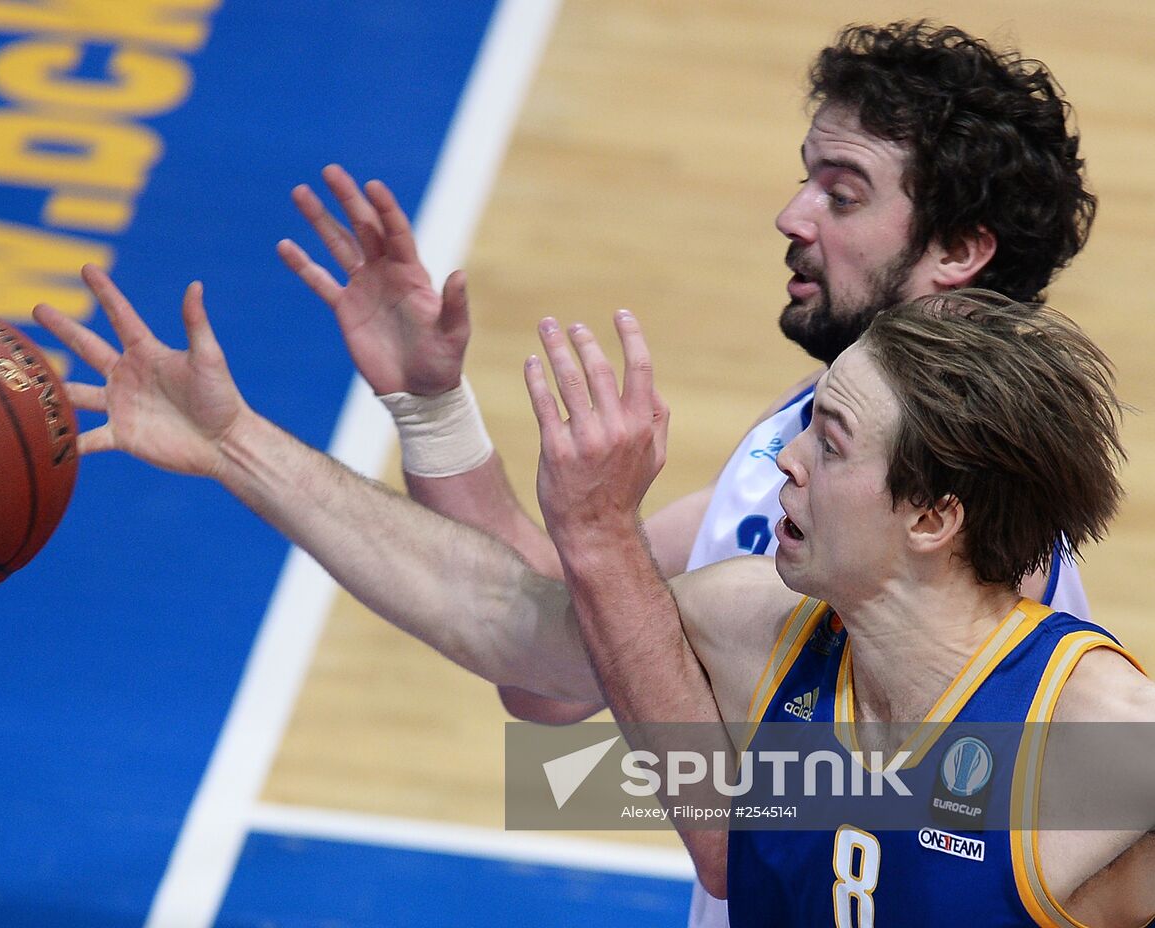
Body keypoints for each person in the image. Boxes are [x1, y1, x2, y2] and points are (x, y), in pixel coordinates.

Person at [276, 24, 1098, 922]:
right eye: (806, 177)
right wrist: (431, 408)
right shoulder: (803, 437)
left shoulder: (965, 543)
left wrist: (599, 533)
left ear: (957, 251)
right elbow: (557, 656)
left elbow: (741, 840)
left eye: (843, 194)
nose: (794, 216)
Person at [35, 269, 1152, 922]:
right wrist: (238, 446)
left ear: (929, 516)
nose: (785, 466)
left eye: (832, 440)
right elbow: (513, 625)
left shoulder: (1090, 745)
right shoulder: (758, 630)